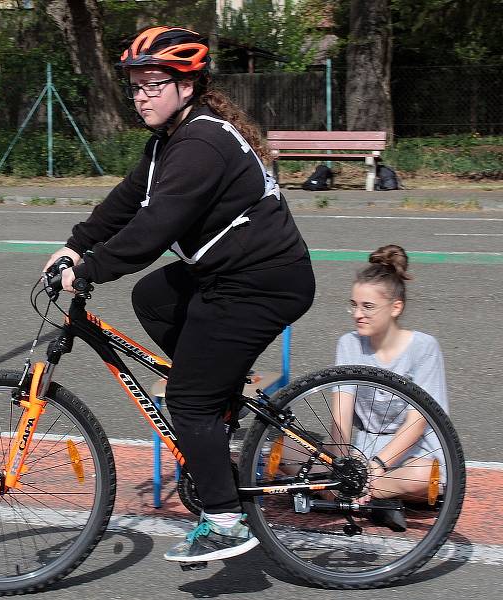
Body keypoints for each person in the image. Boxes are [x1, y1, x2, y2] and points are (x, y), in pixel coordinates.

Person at [42, 26, 315, 563]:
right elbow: (126, 201)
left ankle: (225, 521)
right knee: (154, 298)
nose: (141, 95)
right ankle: (219, 396)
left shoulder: (201, 144)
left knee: (187, 402)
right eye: (135, 86)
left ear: (186, 86)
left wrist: (91, 267)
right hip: (227, 276)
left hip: (263, 282)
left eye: (153, 84)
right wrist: (74, 244)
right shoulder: (169, 139)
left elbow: (155, 227)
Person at [333, 244, 449, 530]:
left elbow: (417, 423)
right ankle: (376, 497)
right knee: (285, 453)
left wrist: (377, 466)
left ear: (396, 307)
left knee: (426, 476)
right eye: (354, 305)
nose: (357, 314)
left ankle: (359, 493)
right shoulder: (348, 343)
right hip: (362, 447)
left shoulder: (424, 347)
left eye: (368, 307)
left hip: (412, 451)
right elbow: (341, 415)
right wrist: (341, 463)